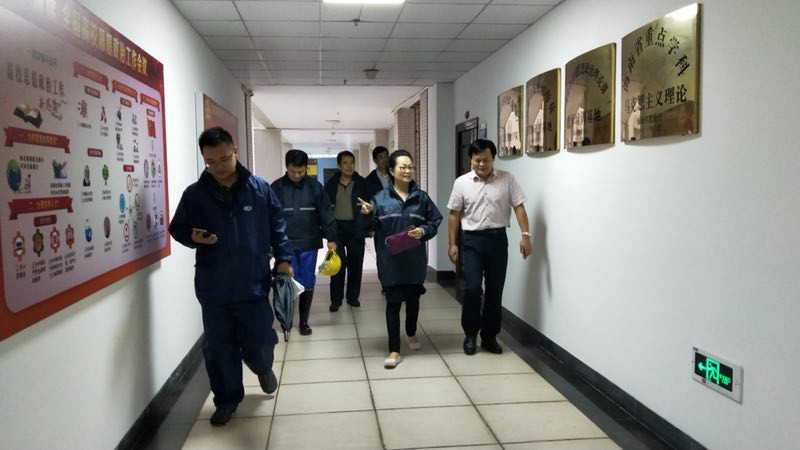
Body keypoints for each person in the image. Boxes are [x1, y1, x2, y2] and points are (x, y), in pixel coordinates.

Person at [169, 127, 293, 426]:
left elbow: (277, 224)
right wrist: (193, 236)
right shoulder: (195, 194)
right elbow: (178, 228)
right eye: (210, 162)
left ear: (235, 151)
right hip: (214, 287)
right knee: (219, 348)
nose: (218, 167)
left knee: (259, 340)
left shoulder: (259, 189)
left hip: (253, 283)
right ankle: (226, 400)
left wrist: (284, 259)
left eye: (224, 159)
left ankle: (262, 366)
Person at [446, 139, 532, 356]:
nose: (481, 164)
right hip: (471, 241)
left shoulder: (507, 179)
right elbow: (454, 214)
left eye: (486, 160)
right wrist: (452, 243)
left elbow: (519, 207)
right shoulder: (461, 183)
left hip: (497, 240)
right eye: (477, 160)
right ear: (471, 159)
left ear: (493, 158)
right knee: (472, 288)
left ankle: (490, 336)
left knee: (495, 289)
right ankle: (470, 335)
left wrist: (525, 235)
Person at [360, 150, 442, 368]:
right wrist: (367, 214)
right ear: (391, 171)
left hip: (414, 260)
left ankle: (411, 332)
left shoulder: (421, 198)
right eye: (402, 167)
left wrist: (423, 231)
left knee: (413, 299)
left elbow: (434, 221)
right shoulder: (379, 199)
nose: (407, 171)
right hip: (390, 261)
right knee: (393, 303)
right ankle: (394, 349)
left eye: (410, 167)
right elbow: (370, 228)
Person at [271, 149, 338, 335]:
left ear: (306, 168)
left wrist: (332, 238)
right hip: (285, 244)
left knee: (307, 280)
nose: (297, 175)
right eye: (293, 171)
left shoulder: (315, 187)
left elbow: (327, 212)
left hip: (309, 241)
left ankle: (304, 322)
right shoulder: (276, 188)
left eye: (301, 171)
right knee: (290, 280)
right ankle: (287, 320)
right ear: (287, 167)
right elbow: (269, 217)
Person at [324, 150, 370, 311]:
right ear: (339, 165)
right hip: (336, 229)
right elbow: (325, 209)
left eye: (352, 162)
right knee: (336, 264)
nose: (349, 166)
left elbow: (370, 206)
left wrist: (369, 226)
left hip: (356, 228)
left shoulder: (362, 183)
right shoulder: (331, 184)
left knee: (356, 264)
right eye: (345, 163)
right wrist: (327, 231)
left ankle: (353, 297)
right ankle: (336, 300)